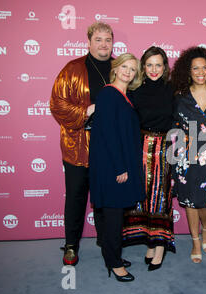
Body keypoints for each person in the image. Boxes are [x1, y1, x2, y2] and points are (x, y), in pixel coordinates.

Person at [50, 22, 114, 266]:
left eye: (107, 39)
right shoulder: (73, 68)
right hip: (78, 146)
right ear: (89, 42)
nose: (103, 44)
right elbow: (57, 103)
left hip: (108, 148)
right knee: (76, 197)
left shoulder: (120, 68)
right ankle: (70, 245)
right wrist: (86, 111)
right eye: (98, 39)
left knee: (106, 198)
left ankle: (106, 241)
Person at [89, 53, 144, 282]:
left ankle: (112, 255)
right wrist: (120, 168)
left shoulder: (125, 94)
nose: (128, 72)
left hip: (120, 161)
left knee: (115, 214)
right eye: (125, 67)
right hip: (113, 165)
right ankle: (113, 262)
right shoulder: (109, 94)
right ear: (116, 68)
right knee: (113, 216)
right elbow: (109, 135)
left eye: (132, 69)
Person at [122, 46, 175, 271]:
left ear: (165, 68)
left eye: (158, 65)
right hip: (140, 149)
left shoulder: (173, 90)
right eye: (149, 64)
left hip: (164, 149)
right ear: (144, 67)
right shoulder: (135, 91)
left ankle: (160, 245)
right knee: (143, 198)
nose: (154, 69)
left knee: (160, 198)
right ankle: (150, 243)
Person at [170, 46, 206, 263]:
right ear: (188, 71)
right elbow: (171, 123)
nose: (200, 72)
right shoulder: (179, 95)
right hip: (185, 154)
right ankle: (194, 240)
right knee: (190, 201)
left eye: (204, 68)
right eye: (195, 68)